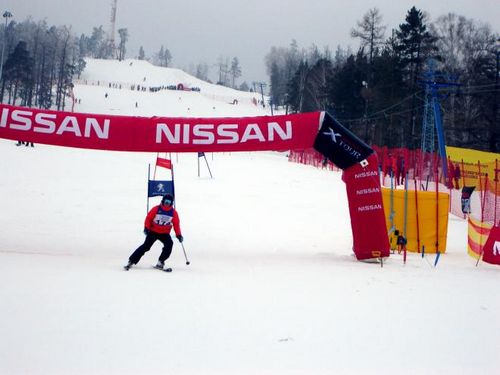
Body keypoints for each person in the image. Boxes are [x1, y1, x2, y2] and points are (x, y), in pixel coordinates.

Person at [124, 194, 183, 270]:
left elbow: (176, 225)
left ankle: (161, 262)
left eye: (169, 202)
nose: (167, 203)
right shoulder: (156, 209)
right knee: (146, 246)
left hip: (164, 233)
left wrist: (179, 235)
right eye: (166, 201)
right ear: (163, 201)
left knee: (169, 244)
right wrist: (146, 228)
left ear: (171, 203)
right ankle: (131, 260)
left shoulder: (174, 213)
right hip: (153, 231)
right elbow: (148, 218)